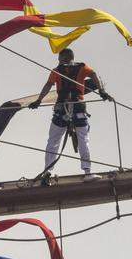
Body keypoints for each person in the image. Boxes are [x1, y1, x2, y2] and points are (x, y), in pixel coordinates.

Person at [29, 47, 111, 177]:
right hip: (78, 108)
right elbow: (94, 75)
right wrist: (102, 91)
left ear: (63, 58)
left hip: (61, 109)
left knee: (53, 141)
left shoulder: (57, 71)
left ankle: (47, 171)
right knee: (84, 140)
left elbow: (48, 85)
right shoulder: (82, 68)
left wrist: (38, 101)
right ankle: (88, 172)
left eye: (59, 59)